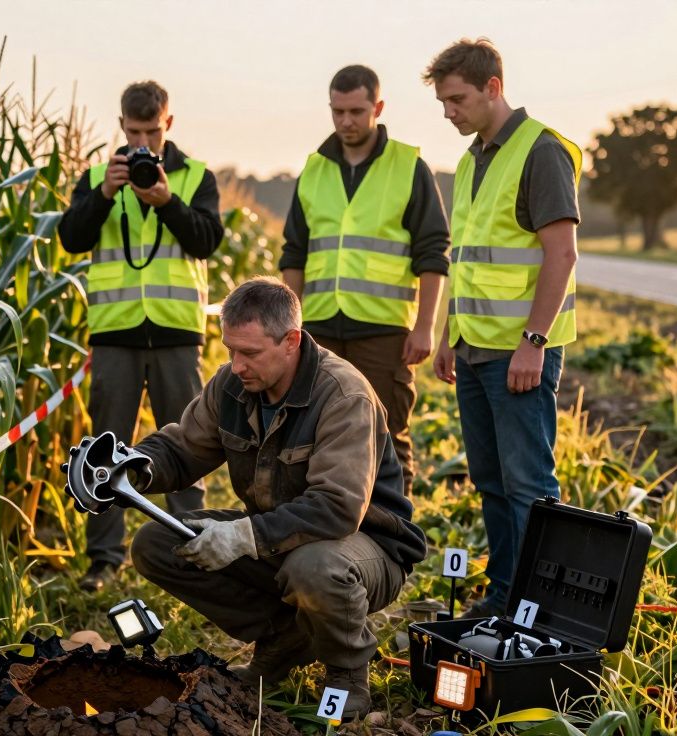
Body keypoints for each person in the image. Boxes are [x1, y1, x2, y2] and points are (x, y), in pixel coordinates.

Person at [121, 277, 427, 720]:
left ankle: (346, 673)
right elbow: (182, 448)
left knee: (314, 568)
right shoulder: (231, 385)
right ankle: (285, 639)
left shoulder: (343, 394)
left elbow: (337, 507)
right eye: (230, 350)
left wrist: (243, 536)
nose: (236, 365)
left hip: (365, 547)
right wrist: (128, 468)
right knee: (157, 543)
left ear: (291, 342)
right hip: (279, 537)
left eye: (250, 353)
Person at [424, 38, 581, 618]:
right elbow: (467, 257)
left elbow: (561, 254)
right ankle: (502, 597)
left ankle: (537, 611)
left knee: (529, 486)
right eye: (443, 103)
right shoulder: (472, 159)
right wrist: (450, 334)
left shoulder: (541, 151)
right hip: (472, 349)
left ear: (493, 88)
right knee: (491, 482)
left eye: (457, 100)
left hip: (519, 353)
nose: (449, 113)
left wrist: (533, 342)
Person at [58, 80, 224, 592]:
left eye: (152, 131)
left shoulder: (195, 176)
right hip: (116, 333)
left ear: (167, 123)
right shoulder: (97, 178)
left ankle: (191, 550)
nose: (143, 142)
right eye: (134, 132)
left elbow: (207, 241)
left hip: (176, 332)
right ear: (122, 127)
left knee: (190, 443)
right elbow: (71, 238)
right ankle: (103, 560)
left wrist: (168, 202)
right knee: (103, 450)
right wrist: (105, 194)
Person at [279, 65, 450, 497]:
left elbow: (433, 252)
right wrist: (287, 328)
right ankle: (325, 529)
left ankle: (394, 533)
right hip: (319, 330)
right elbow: (294, 253)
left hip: (385, 330)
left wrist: (425, 327)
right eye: (337, 111)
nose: (346, 122)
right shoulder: (314, 169)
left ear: (378, 107)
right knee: (314, 436)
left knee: (386, 436)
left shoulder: (409, 167)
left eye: (356, 111)